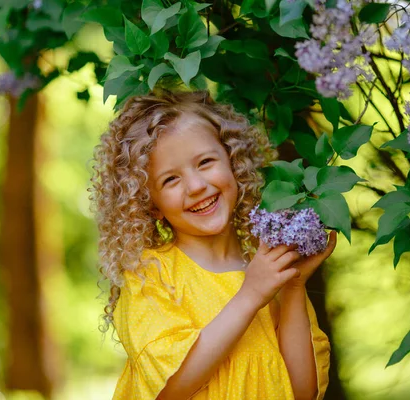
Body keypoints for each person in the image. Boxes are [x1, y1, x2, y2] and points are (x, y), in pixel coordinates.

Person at [90, 90, 337, 400]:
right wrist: (251, 294)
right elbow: (172, 388)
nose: (195, 186)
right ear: (150, 204)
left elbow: (302, 391)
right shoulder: (151, 276)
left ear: (234, 163)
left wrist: (292, 288)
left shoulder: (268, 272)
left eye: (205, 162)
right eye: (170, 180)